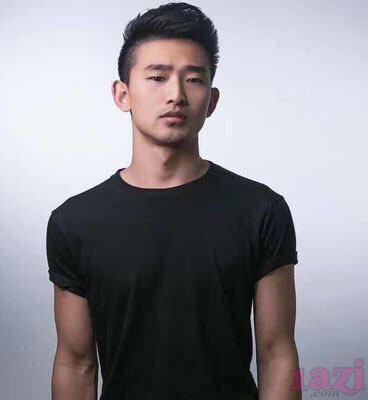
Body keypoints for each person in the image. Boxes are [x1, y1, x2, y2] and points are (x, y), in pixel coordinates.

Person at [46, 2, 301, 400]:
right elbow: (75, 363)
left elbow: (278, 354)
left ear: (211, 100)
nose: (177, 95)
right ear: (122, 94)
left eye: (194, 79)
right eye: (157, 77)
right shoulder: (75, 222)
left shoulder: (261, 211)